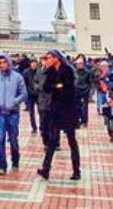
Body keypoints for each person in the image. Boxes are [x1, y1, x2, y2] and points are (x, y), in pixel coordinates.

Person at [37, 49, 81, 181]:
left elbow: (70, 89)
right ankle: (46, 169)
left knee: (71, 141)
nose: (48, 60)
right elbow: (46, 87)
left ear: (57, 58)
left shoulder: (67, 70)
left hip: (68, 110)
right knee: (52, 140)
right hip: (55, 109)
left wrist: (58, 87)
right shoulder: (49, 71)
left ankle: (76, 171)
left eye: (50, 57)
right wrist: (57, 86)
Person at [0, 54, 27, 175]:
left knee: (13, 138)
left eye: (5, 62)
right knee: (0, 138)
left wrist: (15, 101)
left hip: (12, 113)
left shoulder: (17, 77)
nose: (3, 65)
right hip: (0, 111)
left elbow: (24, 93)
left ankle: (15, 160)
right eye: (1, 62)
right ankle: (2, 165)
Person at [22, 58, 40, 134]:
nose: (34, 65)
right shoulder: (26, 72)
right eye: (32, 63)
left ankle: (42, 126)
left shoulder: (40, 72)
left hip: (38, 95)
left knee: (41, 111)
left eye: (35, 63)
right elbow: (24, 84)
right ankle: (34, 126)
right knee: (31, 112)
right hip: (30, 95)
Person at [73, 56, 92, 127]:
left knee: (84, 107)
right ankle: (78, 120)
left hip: (85, 90)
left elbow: (90, 82)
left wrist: (87, 90)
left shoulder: (87, 72)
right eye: (78, 64)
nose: (79, 65)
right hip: (76, 90)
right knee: (77, 106)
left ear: (83, 64)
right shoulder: (74, 71)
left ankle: (84, 121)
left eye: (81, 64)